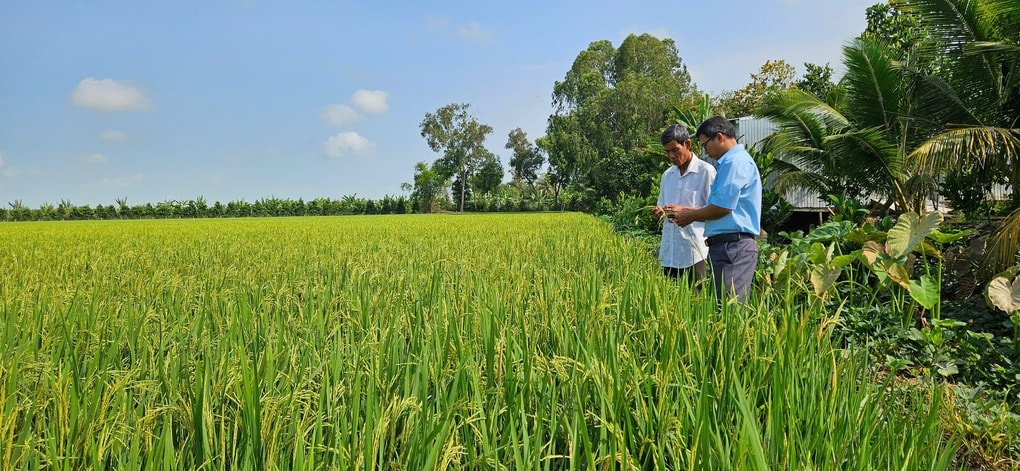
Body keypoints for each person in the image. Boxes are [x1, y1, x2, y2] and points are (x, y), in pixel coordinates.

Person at [670, 116, 762, 303]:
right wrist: (687, 211)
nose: (705, 151)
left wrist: (690, 215)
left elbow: (722, 208)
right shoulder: (730, 163)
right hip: (726, 246)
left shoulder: (734, 162)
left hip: (734, 247)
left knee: (731, 309)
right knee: (723, 306)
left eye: (705, 145)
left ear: (719, 137)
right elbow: (719, 208)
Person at [652, 124, 716, 285]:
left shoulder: (706, 172)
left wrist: (684, 211)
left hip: (694, 253)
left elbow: (715, 211)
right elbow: (661, 204)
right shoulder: (668, 175)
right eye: (667, 152)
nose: (671, 156)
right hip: (670, 251)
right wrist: (660, 211)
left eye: (675, 150)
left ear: (687, 144)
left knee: (694, 301)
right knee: (669, 301)